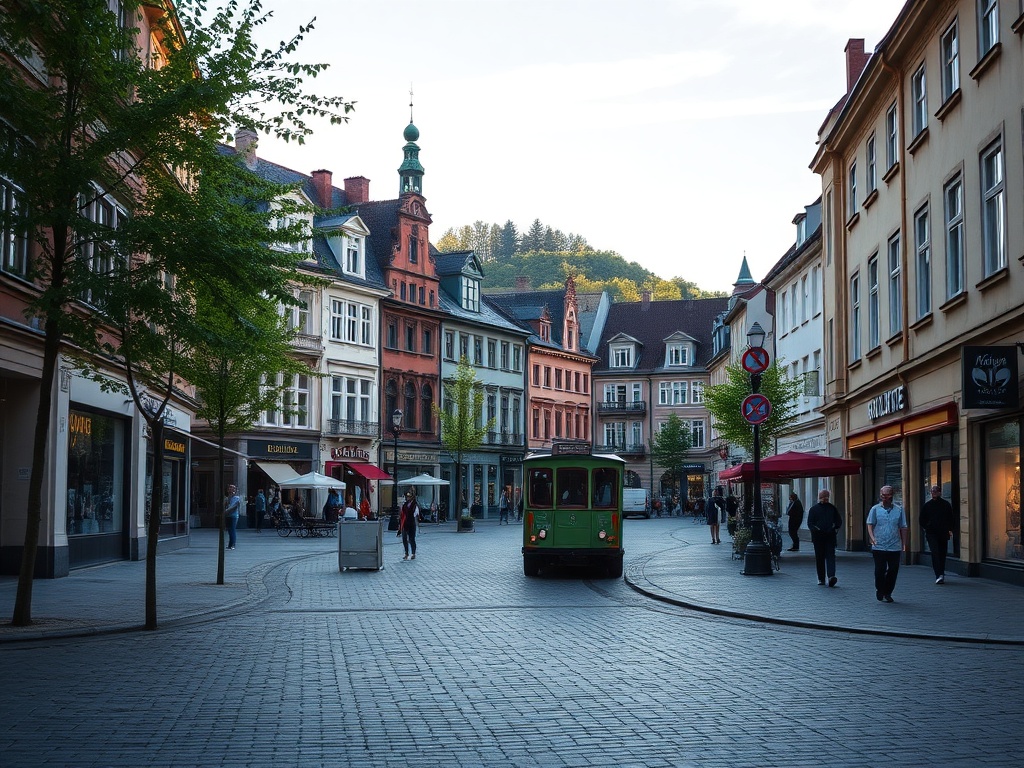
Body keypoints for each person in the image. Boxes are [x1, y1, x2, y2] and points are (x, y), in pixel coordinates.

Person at [866, 485, 908, 603]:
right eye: (883, 495)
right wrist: (872, 538)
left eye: (888, 495)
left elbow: (903, 527)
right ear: (881, 496)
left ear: (892, 496)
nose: (886, 498)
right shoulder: (875, 509)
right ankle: (880, 589)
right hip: (879, 545)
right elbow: (870, 524)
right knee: (880, 570)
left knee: (893, 569)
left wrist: (904, 543)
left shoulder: (899, 510)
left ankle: (888, 592)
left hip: (894, 545)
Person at [807, 489, 843, 587]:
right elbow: (810, 523)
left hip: (830, 536)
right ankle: (821, 578)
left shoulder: (832, 508)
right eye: (823, 497)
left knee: (830, 556)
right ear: (820, 497)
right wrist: (817, 530)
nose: (825, 499)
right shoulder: (814, 509)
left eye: (826, 497)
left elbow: (838, 521)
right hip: (818, 537)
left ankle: (831, 576)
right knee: (820, 557)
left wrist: (834, 528)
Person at [920, 484, 955, 584]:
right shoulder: (927, 506)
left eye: (935, 491)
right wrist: (927, 527)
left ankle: (941, 573)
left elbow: (951, 518)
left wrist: (950, 529)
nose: (933, 493)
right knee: (935, 552)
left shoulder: (946, 505)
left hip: (943, 533)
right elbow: (922, 519)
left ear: (940, 492)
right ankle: (938, 574)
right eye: (932, 491)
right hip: (931, 533)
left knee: (942, 553)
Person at [398, 490, 419, 559]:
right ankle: (406, 553)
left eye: (409, 497)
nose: (408, 498)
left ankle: (413, 553)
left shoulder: (415, 504)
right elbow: (402, 514)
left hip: (411, 524)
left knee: (411, 539)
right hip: (405, 523)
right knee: (404, 539)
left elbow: (416, 514)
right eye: (407, 497)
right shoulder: (405, 504)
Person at [224, 484, 241, 550]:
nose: (230, 489)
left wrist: (226, 511)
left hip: (233, 516)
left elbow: (234, 506)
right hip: (228, 515)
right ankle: (230, 544)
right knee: (229, 530)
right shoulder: (228, 497)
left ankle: (233, 544)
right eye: (230, 488)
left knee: (232, 530)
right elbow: (226, 504)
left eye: (232, 488)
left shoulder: (237, 498)